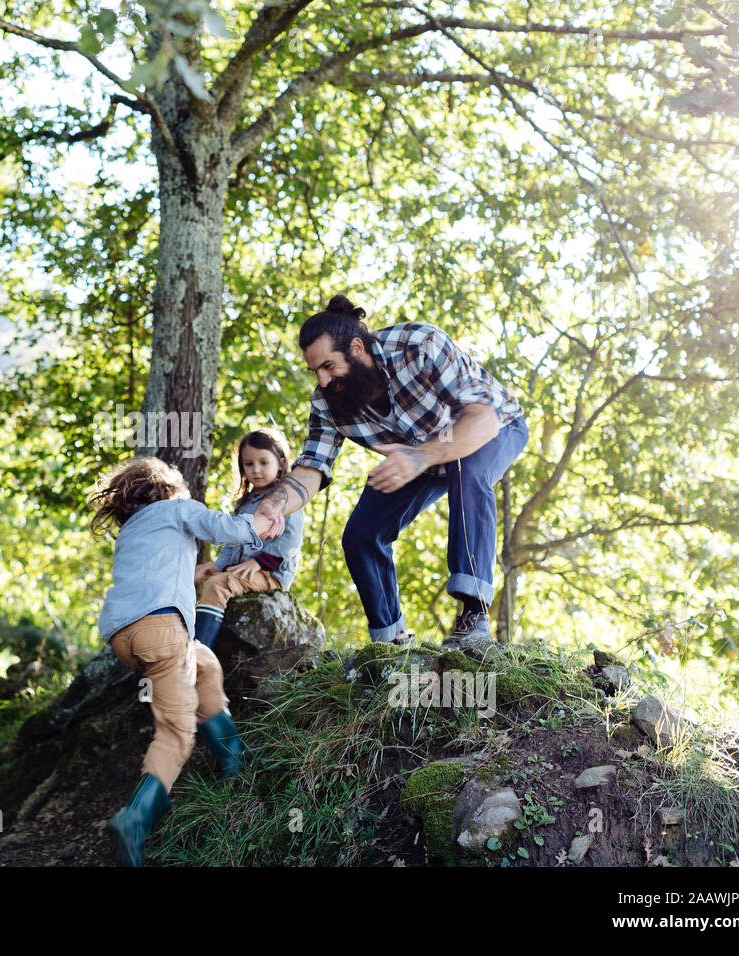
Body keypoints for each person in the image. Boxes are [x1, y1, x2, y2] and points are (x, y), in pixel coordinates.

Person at [254, 294, 528, 650]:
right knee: (361, 533)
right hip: (418, 453)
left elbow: (483, 419)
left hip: (489, 428)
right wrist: (276, 503)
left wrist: (421, 457)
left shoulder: (419, 346)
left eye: (329, 366)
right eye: (315, 371)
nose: (322, 381)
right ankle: (391, 643)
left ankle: (473, 615)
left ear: (356, 347)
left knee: (466, 466)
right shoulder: (328, 403)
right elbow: (311, 469)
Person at [91, 456, 275, 866]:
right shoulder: (177, 509)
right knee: (177, 732)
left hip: (125, 635)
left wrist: (198, 572)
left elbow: (154, 572)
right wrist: (261, 523)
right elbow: (226, 526)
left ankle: (234, 760)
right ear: (168, 488)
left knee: (204, 663)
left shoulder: (133, 530)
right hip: (162, 630)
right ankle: (134, 819)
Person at [193, 427, 305, 649]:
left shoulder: (284, 499)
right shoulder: (244, 504)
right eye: (249, 464)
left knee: (217, 586)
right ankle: (194, 642)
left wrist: (258, 562)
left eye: (264, 462)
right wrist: (219, 566)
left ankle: (199, 651)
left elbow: (290, 541)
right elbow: (232, 542)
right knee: (212, 584)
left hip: (271, 573)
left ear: (280, 463)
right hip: (244, 571)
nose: (256, 470)